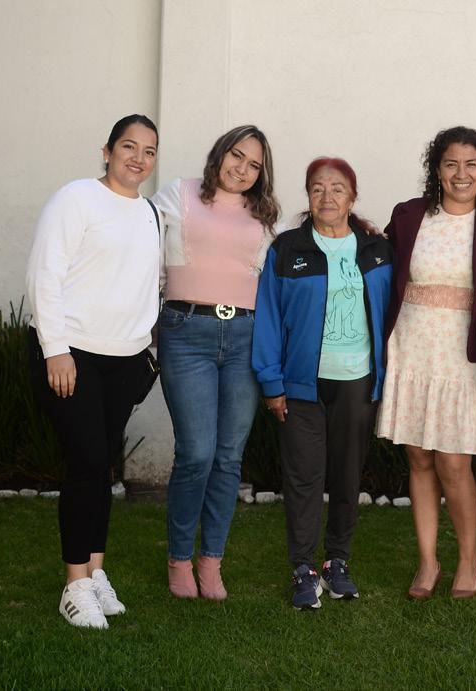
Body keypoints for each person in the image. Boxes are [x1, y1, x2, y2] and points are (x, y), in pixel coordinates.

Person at [26, 114, 160, 629]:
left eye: (149, 151)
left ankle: (96, 572)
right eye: (128, 146)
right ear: (107, 151)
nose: (138, 158)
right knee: (85, 462)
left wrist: (146, 349)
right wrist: (54, 349)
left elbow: (146, 282)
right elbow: (45, 274)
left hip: (123, 360)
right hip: (72, 354)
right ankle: (74, 584)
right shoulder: (76, 198)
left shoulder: (149, 213)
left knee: (102, 466)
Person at [376, 126, 476, 600]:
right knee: (418, 458)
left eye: (471, 164)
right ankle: (427, 561)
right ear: (436, 169)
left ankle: (469, 558)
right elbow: (379, 258)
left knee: (454, 464)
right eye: (451, 164)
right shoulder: (410, 214)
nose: (461, 174)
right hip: (413, 347)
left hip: (466, 355)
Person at [252, 157, 392, 610]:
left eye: (337, 189)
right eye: (317, 189)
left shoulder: (376, 250)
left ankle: (337, 562)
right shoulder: (287, 249)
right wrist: (272, 383)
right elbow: (268, 317)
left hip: (357, 382)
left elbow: (393, 311)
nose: (327, 197)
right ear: (308, 196)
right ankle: (302, 568)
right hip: (301, 386)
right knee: (304, 478)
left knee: (347, 475)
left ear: (352, 198)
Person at [152, 125, 281, 600]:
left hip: (245, 337)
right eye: (237, 156)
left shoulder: (264, 215)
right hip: (187, 333)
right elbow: (144, 252)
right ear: (220, 154)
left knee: (228, 456)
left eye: (254, 165)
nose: (242, 169)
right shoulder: (179, 194)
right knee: (196, 453)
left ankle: (211, 561)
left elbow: (270, 278)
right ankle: (179, 558)